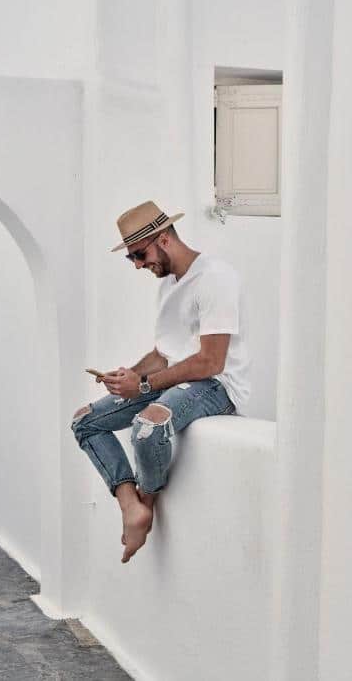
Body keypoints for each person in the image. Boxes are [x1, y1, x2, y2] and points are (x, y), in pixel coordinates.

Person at [70, 200, 250, 563]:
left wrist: (145, 386)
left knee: (148, 427)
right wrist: (130, 375)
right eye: (131, 258)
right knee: (85, 421)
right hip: (177, 382)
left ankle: (146, 504)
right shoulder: (168, 284)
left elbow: (211, 361)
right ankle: (130, 505)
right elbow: (164, 354)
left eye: (140, 254)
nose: (138, 264)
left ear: (164, 239)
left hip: (217, 386)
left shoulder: (216, 278)